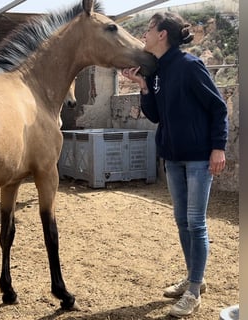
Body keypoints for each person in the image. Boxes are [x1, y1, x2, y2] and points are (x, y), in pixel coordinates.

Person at [121, 12, 228, 318]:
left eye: (149, 29)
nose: (144, 34)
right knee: (182, 221)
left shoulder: (190, 66)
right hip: (171, 156)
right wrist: (142, 85)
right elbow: (156, 116)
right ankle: (195, 277)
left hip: (198, 157)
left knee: (195, 222)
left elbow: (218, 108)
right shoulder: (156, 73)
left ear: (163, 34)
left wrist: (218, 147)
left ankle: (193, 292)